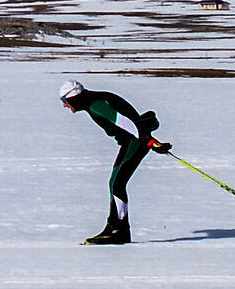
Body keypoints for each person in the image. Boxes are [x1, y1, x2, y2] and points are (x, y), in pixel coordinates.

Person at [60, 79, 170, 244]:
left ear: (73, 97)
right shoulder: (94, 99)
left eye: (65, 101)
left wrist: (149, 141)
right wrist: (149, 139)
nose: (65, 105)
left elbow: (124, 122)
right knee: (114, 182)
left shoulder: (95, 104)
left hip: (135, 141)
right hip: (133, 140)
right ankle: (115, 227)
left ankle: (118, 229)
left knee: (117, 183)